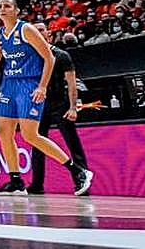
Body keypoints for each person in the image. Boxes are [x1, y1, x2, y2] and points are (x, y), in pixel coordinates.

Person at [0, 0, 92, 196]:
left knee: (30, 135)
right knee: (4, 133)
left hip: (28, 83)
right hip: (8, 85)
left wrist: (42, 86)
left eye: (7, 6)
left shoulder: (26, 29)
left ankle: (78, 171)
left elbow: (49, 57)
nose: (2, 9)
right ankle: (16, 181)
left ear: (16, 10)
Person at [27, 23, 89, 195]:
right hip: (39, 105)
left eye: (40, 30)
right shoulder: (31, 57)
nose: (37, 33)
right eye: (34, 31)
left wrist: (73, 107)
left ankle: (82, 179)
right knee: (37, 143)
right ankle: (36, 184)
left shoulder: (62, 55)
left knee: (72, 142)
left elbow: (71, 84)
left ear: (48, 34)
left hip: (60, 103)